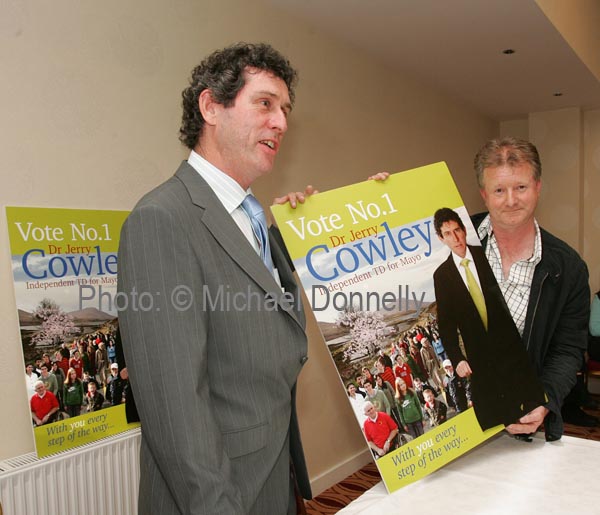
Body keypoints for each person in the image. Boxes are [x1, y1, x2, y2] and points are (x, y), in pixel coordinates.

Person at [117, 43, 311, 514]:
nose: (281, 122)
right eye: (265, 103)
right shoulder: (160, 220)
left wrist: (329, 227)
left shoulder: (255, 219)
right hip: (217, 497)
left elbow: (266, 331)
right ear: (211, 107)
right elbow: (175, 408)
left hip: (272, 480)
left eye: (284, 109)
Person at [472, 137, 590, 440]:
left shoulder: (568, 268)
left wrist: (545, 398)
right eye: (499, 190)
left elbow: (568, 350)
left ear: (537, 187)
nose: (510, 200)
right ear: (484, 194)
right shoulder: (449, 239)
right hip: (452, 425)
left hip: (520, 425)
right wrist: (379, 197)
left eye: (520, 187)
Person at [433, 206, 546, 430]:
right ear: (441, 238)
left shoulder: (488, 255)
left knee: (527, 406)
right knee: (496, 417)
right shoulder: (442, 275)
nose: (455, 238)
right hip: (479, 356)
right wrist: (457, 358)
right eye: (448, 233)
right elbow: (446, 324)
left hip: (512, 346)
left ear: (464, 230)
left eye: (457, 230)